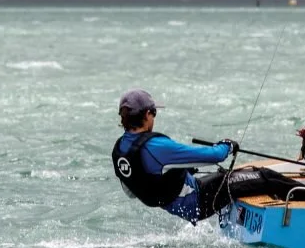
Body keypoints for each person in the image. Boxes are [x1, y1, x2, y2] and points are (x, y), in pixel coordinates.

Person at [110, 88, 294, 224]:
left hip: (182, 204)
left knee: (236, 175)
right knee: (265, 176)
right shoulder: (156, 147)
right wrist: (227, 146)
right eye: (154, 113)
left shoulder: (120, 149)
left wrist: (176, 173)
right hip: (198, 200)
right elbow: (214, 156)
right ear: (147, 114)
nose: (154, 118)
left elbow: (133, 191)